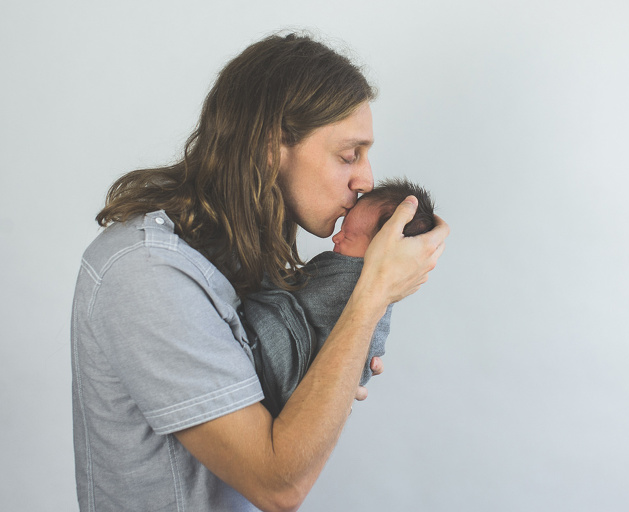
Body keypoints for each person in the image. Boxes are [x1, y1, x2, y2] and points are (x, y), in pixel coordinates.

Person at [70, 32, 448, 512]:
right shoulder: (147, 273)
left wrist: (332, 360)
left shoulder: (252, 259)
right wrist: (371, 298)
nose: (366, 179)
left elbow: (291, 412)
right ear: (271, 146)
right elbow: (278, 485)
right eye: (349, 154)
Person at [243, 178, 435, 417]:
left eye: (348, 235)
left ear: (382, 249)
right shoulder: (357, 276)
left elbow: (291, 293)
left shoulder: (351, 277)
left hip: (281, 373)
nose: (336, 237)